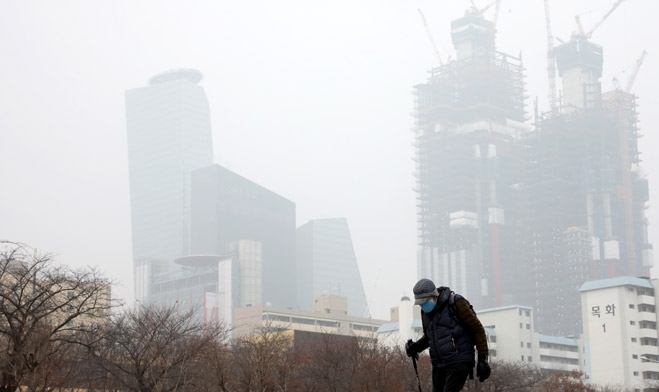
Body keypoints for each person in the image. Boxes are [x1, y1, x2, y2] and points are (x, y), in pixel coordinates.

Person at [405, 278, 491, 392]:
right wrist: (416, 346)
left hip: (459, 359)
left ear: (434, 296)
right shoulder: (425, 313)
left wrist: (482, 359)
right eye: (420, 303)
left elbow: (477, 329)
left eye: (425, 301)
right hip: (439, 364)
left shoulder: (456, 302)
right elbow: (430, 336)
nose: (423, 306)